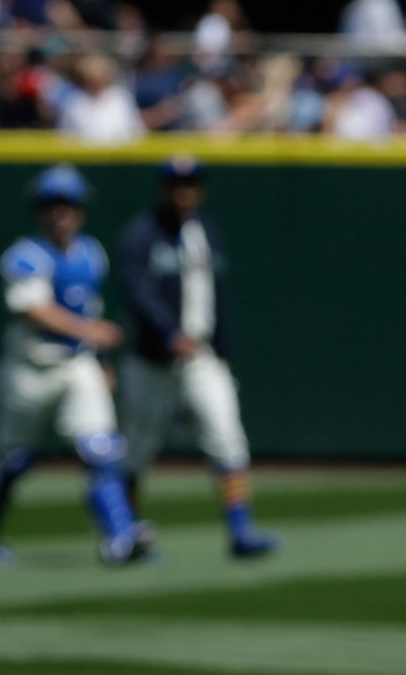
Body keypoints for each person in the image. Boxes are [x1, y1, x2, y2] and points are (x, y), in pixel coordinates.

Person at [0, 164, 152, 567]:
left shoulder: (90, 252)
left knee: (103, 450)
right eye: (52, 204)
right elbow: (32, 308)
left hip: (76, 366)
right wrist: (90, 331)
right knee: (10, 461)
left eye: (68, 204)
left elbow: (90, 306)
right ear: (39, 210)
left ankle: (121, 538)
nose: (61, 212)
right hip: (29, 369)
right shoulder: (24, 255)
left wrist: (101, 360)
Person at [117, 156, 279, 559]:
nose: (183, 192)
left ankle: (241, 532)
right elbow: (136, 292)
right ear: (162, 188)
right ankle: (128, 535)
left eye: (190, 184)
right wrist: (168, 332)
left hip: (202, 357)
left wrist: (224, 350)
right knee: (136, 449)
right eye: (176, 184)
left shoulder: (207, 230)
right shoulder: (141, 235)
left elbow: (218, 298)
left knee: (229, 441)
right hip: (151, 361)